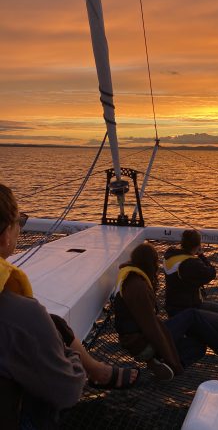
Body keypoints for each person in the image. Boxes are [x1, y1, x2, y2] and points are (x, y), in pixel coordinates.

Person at [0, 183, 139, 428]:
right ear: (4, 238)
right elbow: (67, 393)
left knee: (53, 322)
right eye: (19, 222)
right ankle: (96, 371)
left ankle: (98, 371)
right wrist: (69, 357)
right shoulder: (19, 316)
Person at [114, 242, 218, 381]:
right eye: (155, 262)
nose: (157, 266)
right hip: (142, 345)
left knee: (199, 346)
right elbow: (151, 328)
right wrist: (171, 358)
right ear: (150, 263)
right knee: (191, 315)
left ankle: (165, 367)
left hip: (138, 342)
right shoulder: (137, 286)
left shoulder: (129, 277)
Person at [163, 229, 218, 333]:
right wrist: (201, 255)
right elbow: (211, 273)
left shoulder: (171, 256)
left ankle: (202, 332)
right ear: (198, 245)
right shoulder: (189, 264)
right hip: (186, 308)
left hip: (174, 305)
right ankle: (203, 336)